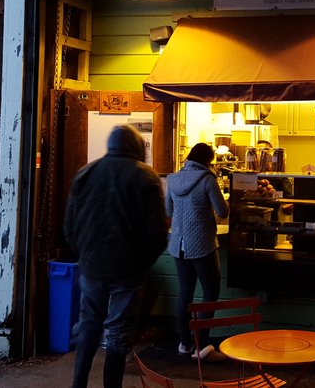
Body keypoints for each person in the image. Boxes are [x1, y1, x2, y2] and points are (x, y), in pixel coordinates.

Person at [64, 125, 168, 388]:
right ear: (137, 147)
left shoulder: (85, 173)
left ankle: (78, 383)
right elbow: (158, 233)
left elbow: (69, 226)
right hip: (129, 269)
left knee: (89, 326)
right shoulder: (146, 177)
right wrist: (143, 264)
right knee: (119, 333)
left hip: (92, 265)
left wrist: (85, 255)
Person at [167, 142, 229, 361]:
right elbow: (222, 211)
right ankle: (201, 346)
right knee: (210, 292)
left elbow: (168, 210)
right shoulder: (207, 180)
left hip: (178, 244)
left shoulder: (173, 179)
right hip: (202, 243)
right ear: (208, 160)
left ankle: (185, 343)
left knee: (185, 291)